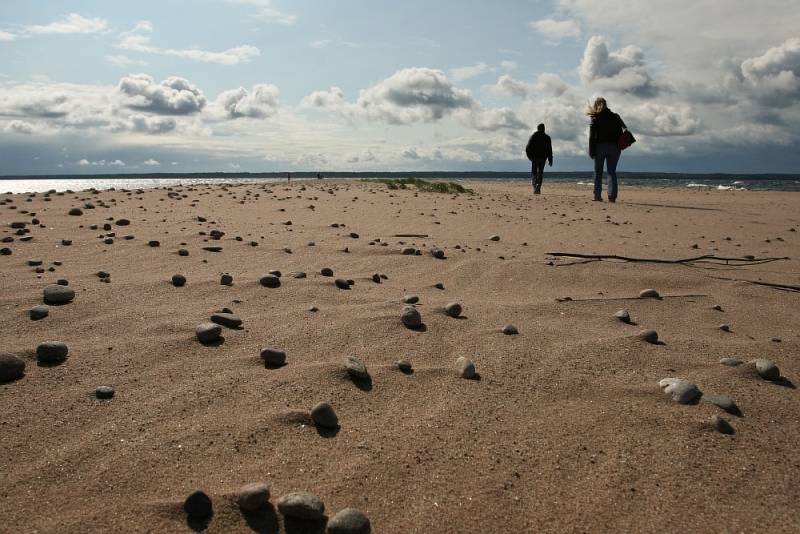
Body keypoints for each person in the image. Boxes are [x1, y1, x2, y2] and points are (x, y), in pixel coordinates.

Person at [587, 97, 627, 202]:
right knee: (611, 171)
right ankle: (612, 195)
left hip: (600, 146)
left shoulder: (595, 117)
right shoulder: (615, 117)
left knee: (598, 171)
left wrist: (591, 150)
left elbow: (592, 136)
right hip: (614, 146)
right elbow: (620, 133)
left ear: (596, 105)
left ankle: (597, 196)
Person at [525, 123, 553, 195]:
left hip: (535, 157)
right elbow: (549, 149)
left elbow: (528, 148)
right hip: (543, 158)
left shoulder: (534, 136)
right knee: (540, 173)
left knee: (534, 172)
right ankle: (539, 186)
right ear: (544, 129)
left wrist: (529, 156)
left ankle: (535, 185)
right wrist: (550, 159)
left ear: (537, 128)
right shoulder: (547, 138)